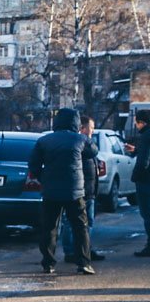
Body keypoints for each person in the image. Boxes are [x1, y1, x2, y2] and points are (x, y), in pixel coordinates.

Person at [29, 107, 96, 275]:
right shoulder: (80, 139)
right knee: (80, 228)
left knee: (49, 228)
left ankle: (48, 263)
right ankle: (84, 263)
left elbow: (33, 164)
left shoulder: (44, 141)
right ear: (76, 122)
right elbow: (93, 151)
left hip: (51, 192)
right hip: (75, 192)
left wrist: (44, 178)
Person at [60, 115, 103, 263]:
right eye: (91, 128)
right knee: (71, 222)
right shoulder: (78, 143)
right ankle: (71, 251)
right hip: (78, 190)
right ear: (82, 128)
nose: (92, 131)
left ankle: (86, 249)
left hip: (89, 190)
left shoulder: (87, 144)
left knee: (88, 222)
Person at [126, 109, 150, 257]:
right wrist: (135, 150)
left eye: (137, 121)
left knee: (147, 214)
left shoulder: (146, 135)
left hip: (145, 180)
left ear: (142, 122)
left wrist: (136, 176)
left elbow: (144, 161)